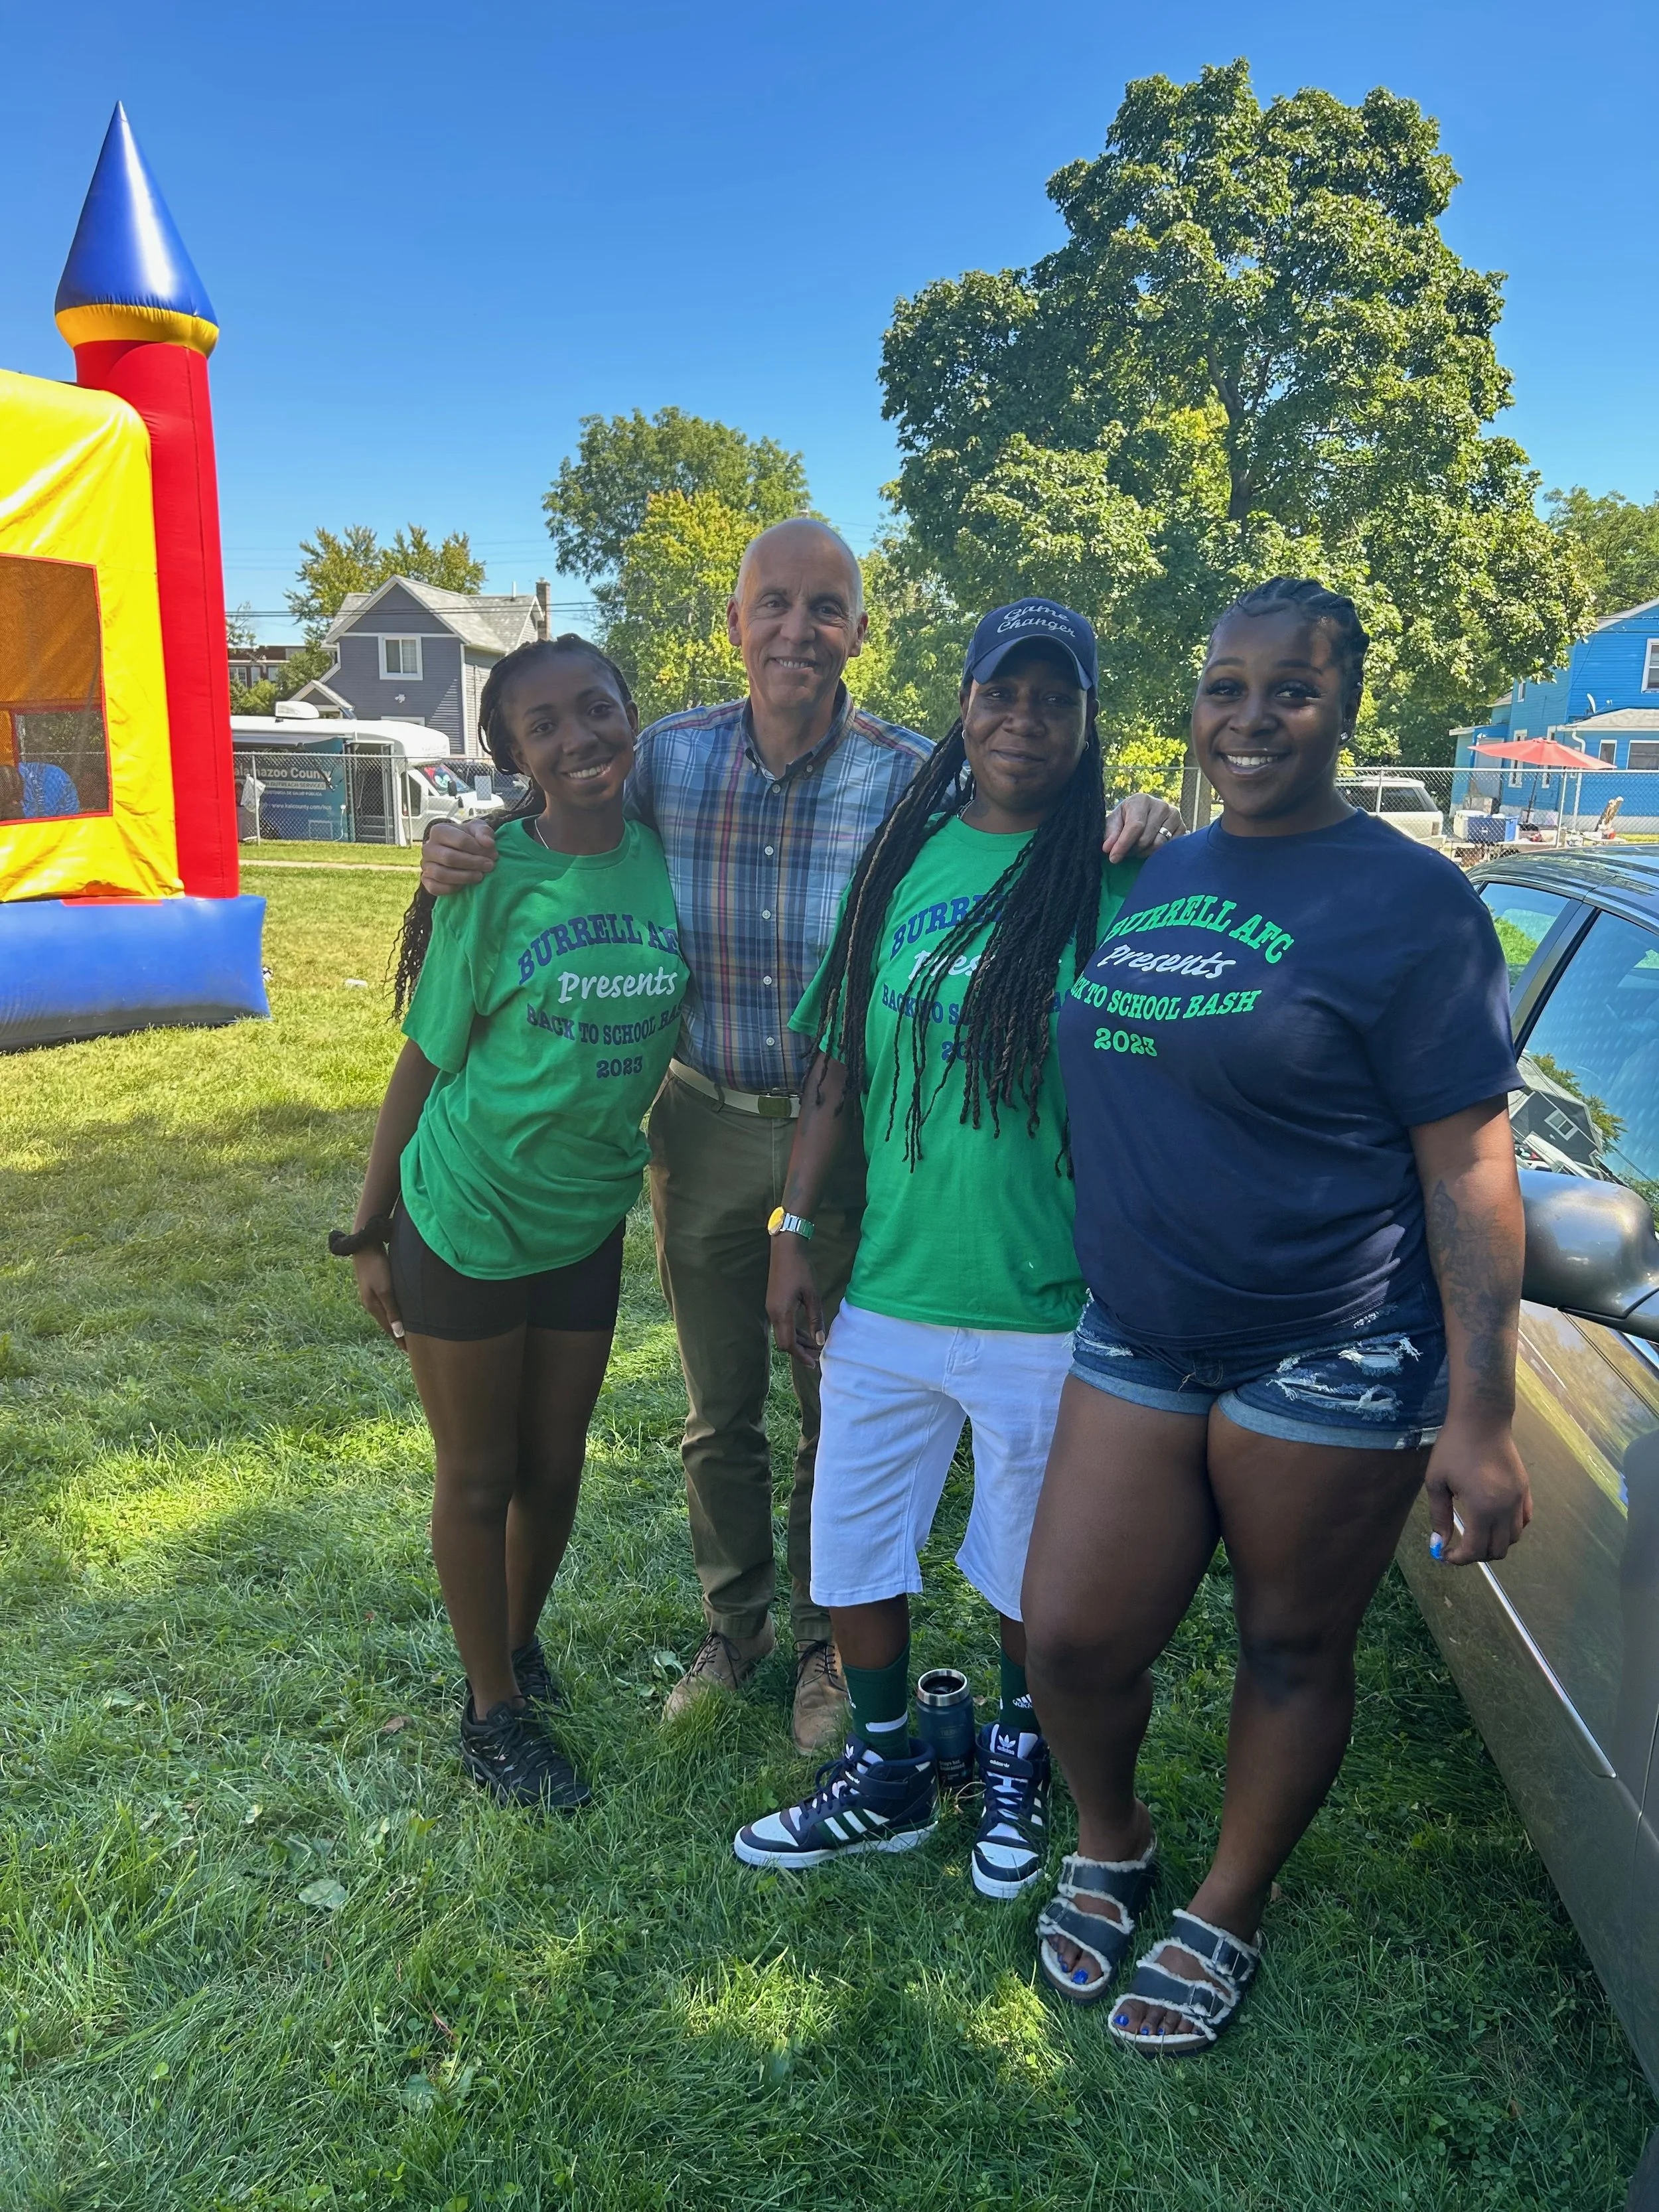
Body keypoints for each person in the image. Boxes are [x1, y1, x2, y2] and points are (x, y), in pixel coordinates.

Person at [421, 524, 1182, 1752]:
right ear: (734, 624)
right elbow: (551, 796)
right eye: (773, 604)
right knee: (720, 1405)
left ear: (859, 633)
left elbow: (1032, 806)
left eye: (826, 607)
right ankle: (739, 1626)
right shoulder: (662, 758)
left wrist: (1139, 806)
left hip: (860, 1137)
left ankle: (836, 1645)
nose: (797, 629)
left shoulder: (904, 777)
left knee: (845, 1393)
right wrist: (465, 835)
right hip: (705, 1121)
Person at [1022, 577, 1531, 2049]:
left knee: (1290, 1645)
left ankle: (1225, 1907)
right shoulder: (1163, 869)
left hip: (1331, 1340)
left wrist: (1480, 1415)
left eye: (1289, 690)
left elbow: (1470, 1164)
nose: (1248, 718)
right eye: (1223, 686)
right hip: (1138, 1324)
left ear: (1343, 706)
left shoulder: (1411, 901)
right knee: (1068, 1637)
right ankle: (1110, 1841)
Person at [731, 601, 1155, 1899]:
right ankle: (887, 1770)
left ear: (1086, 723)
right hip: (896, 1287)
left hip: (1047, 1295)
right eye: (1001, 692)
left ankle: (1019, 1755)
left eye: (1054, 699)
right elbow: (838, 1065)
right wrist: (797, 1224)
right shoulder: (901, 860)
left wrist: (1159, 825)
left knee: (1037, 1569)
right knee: (851, 1542)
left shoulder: (1119, 871)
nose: (1023, 719)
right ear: (963, 703)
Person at [340, 634, 688, 1808]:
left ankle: (517, 1648)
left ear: (630, 711)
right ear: (511, 754)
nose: (580, 738)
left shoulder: (660, 858)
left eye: (597, 709)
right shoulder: (491, 880)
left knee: (557, 1467)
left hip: (586, 1215)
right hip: (468, 1215)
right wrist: (369, 1229)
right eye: (545, 726)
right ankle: (488, 1713)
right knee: (480, 1473)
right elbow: (423, 1061)